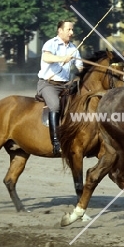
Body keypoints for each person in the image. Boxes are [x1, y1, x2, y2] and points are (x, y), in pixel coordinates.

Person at [37, 20, 83, 155]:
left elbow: (80, 65)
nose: (72, 32)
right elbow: (46, 57)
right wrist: (62, 58)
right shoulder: (51, 44)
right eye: (69, 29)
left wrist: (84, 70)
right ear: (60, 30)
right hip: (48, 84)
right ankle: (56, 143)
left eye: (72, 30)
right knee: (55, 106)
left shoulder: (73, 47)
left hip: (65, 85)